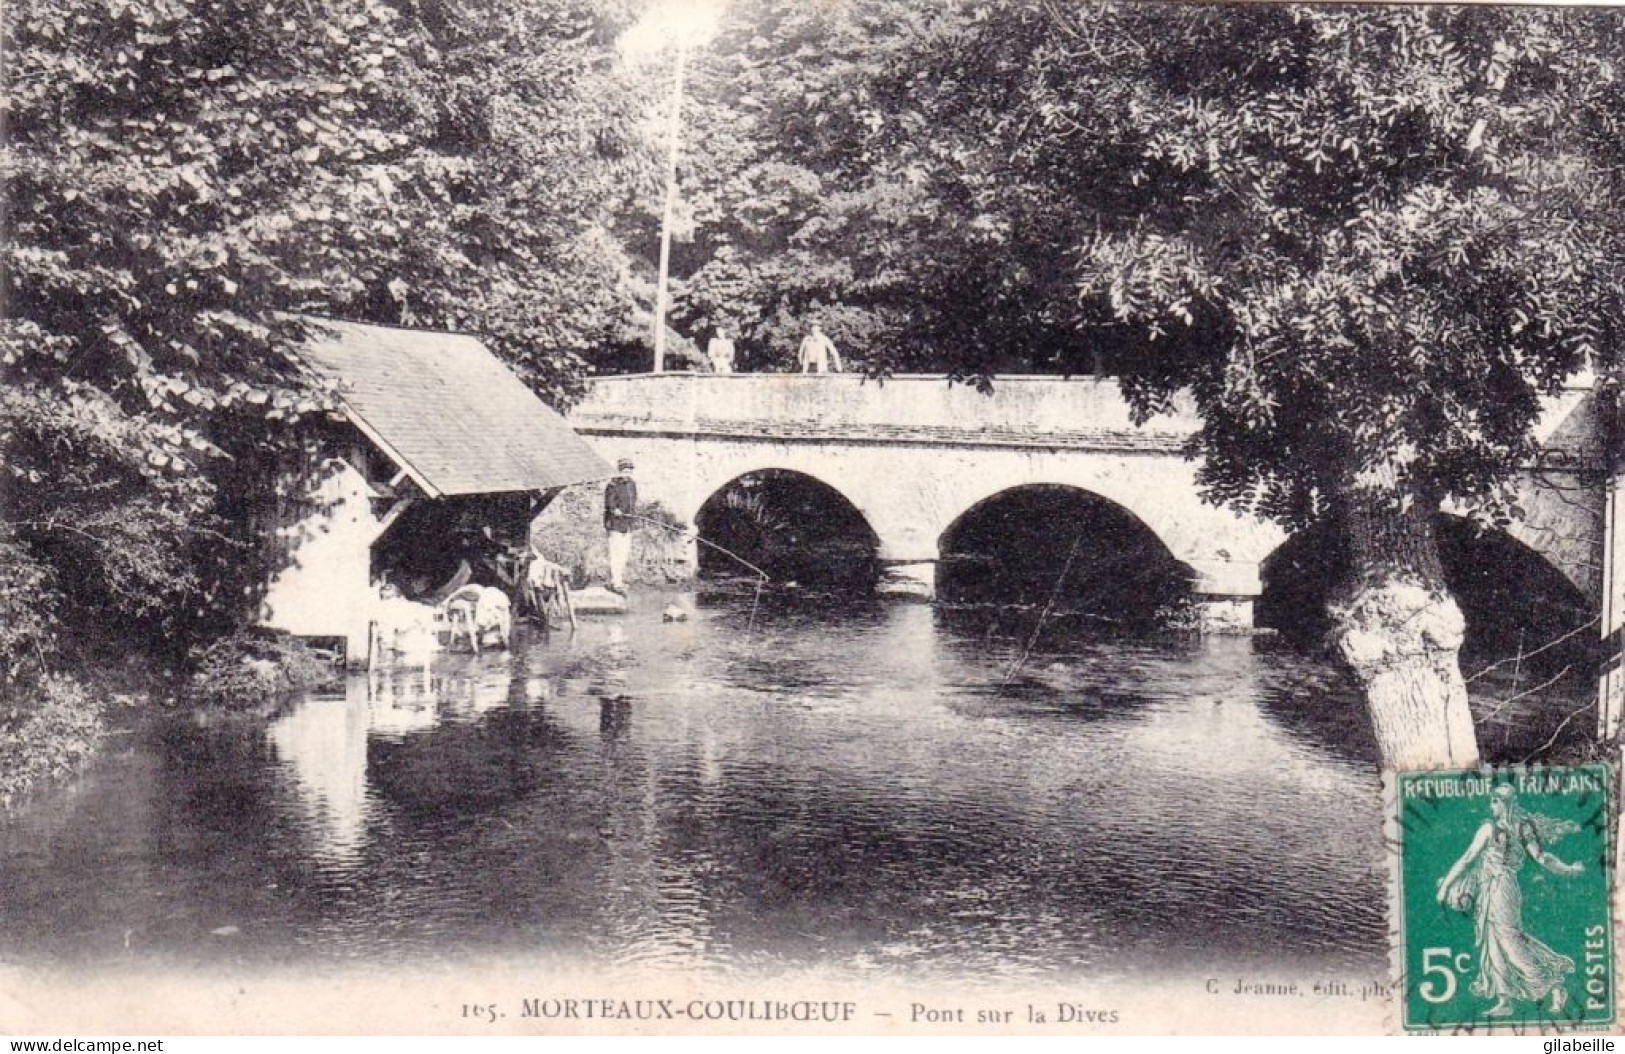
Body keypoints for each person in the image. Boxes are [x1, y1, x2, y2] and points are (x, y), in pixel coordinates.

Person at [1436, 784, 1583, 1017]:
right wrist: (1568, 870)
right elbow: (1469, 859)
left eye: (1496, 801)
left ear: (1507, 803)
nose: (1491, 806)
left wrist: (1567, 869)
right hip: (1488, 889)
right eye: (1491, 801)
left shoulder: (1510, 828)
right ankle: (1504, 1001)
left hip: (1503, 890)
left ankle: (1554, 984)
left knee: (1510, 942)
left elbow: (1541, 857)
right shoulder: (1502, 827)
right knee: (1492, 942)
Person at [603, 459, 638, 594]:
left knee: (624, 554)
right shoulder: (612, 485)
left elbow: (633, 501)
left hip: (628, 524)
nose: (628, 474)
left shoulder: (632, 484)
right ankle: (615, 582)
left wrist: (632, 515)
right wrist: (615, 510)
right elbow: (609, 503)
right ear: (619, 471)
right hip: (615, 524)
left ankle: (620, 580)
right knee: (615, 553)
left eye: (630, 471)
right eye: (625, 471)